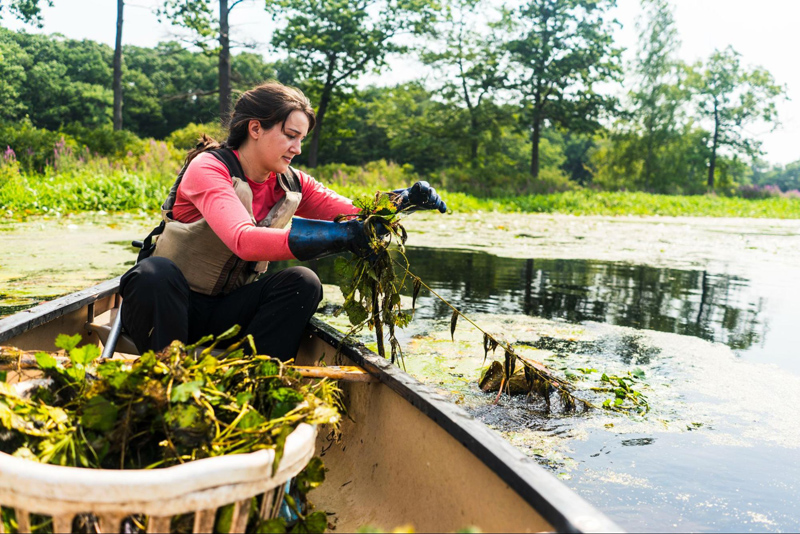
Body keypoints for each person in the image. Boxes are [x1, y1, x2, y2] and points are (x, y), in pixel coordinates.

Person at [120, 81, 446, 361]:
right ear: (255, 128)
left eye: (301, 138)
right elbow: (244, 241)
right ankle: (168, 378)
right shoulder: (210, 168)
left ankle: (258, 383)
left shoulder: (292, 183)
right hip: (166, 307)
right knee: (155, 273)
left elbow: (356, 213)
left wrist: (405, 199)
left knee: (303, 282)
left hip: (225, 315)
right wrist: (340, 236)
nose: (298, 148)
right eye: (291, 135)